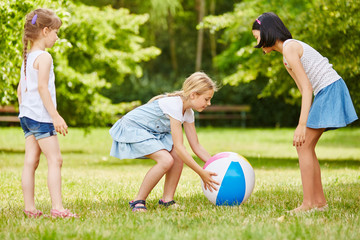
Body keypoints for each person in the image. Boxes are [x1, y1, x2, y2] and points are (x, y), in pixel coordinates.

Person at [252, 12, 358, 213]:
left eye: (257, 37)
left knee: (304, 145)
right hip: (325, 93)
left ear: (267, 33)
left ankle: (309, 203)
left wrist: (302, 125)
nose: (257, 43)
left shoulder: (290, 47)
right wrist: (304, 120)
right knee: (305, 146)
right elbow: (304, 90)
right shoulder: (286, 58)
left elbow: (308, 88)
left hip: (330, 89)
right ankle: (318, 203)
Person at [109, 72, 220, 212]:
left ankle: (167, 200)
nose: (209, 103)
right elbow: (180, 147)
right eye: (207, 99)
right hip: (133, 128)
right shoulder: (174, 105)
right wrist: (201, 172)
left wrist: (216, 164)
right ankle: (138, 200)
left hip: (153, 133)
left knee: (176, 156)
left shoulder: (188, 112)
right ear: (193, 95)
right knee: (166, 160)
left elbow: (196, 146)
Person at [17, 8, 78, 218]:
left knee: (31, 161)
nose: (57, 37)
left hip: (26, 116)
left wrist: (24, 111)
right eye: (55, 32)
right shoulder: (44, 57)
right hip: (41, 118)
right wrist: (55, 116)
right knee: (55, 160)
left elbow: (20, 89)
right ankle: (58, 208)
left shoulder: (27, 56)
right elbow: (43, 88)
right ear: (45, 31)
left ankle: (30, 208)